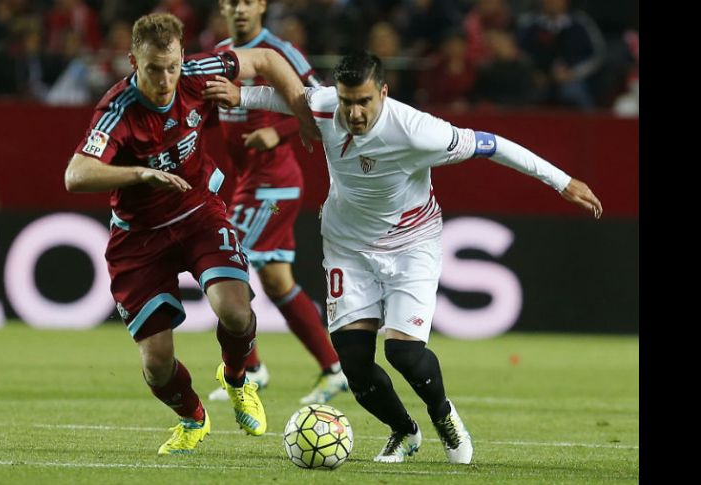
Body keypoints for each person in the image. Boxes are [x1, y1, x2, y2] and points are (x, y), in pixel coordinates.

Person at [203, 51, 603, 464]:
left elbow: (493, 145)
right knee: (355, 364)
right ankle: (404, 432)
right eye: (346, 101)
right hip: (347, 246)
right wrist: (241, 96)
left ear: (383, 92)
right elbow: (285, 97)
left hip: (412, 244)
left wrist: (562, 181)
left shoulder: (417, 131)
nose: (354, 112)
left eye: (364, 101)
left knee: (403, 353)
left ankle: (443, 416)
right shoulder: (326, 106)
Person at [63, 12, 318, 455]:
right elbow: (76, 174)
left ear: (183, 56)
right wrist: (139, 174)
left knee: (235, 311)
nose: (165, 80)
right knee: (157, 366)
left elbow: (267, 60)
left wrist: (301, 111)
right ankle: (193, 416)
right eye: (153, 69)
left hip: (199, 212)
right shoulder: (117, 110)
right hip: (139, 239)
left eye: (172, 66)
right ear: (132, 62)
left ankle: (238, 379)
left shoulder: (200, 70)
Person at [205, 0, 348, 406]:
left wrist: (279, 133)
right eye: (232, 2)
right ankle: (333, 368)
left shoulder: (280, 52)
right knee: (276, 280)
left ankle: (250, 369)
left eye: (248, 1)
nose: (240, 10)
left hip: (274, 189)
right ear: (223, 7)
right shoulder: (219, 55)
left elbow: (322, 102)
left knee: (223, 257)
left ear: (262, 5)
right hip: (250, 184)